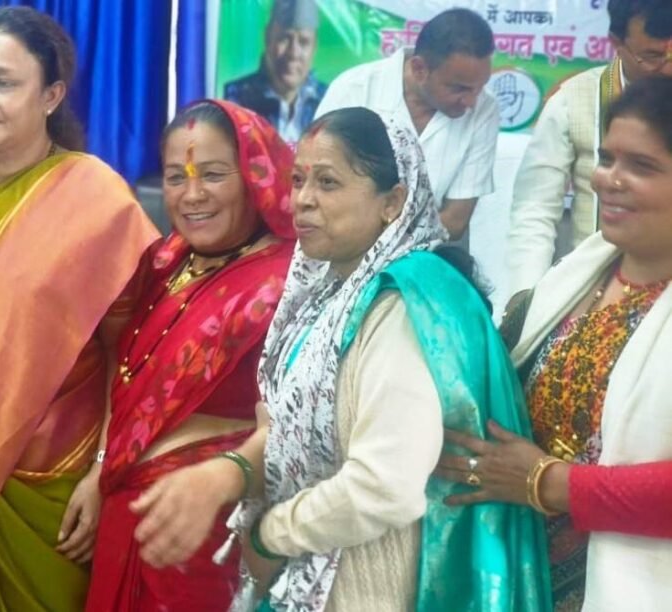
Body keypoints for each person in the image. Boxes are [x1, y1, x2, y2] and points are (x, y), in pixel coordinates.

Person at [127, 107, 549, 611]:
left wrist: (269, 535)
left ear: (393, 202)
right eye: (298, 180)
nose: (302, 200)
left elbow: (385, 486)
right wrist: (229, 474)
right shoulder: (334, 291)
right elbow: (290, 431)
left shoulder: (402, 305)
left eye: (327, 182)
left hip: (375, 587)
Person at [0, 7, 159, 610]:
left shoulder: (97, 198)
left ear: (51, 95)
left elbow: (132, 353)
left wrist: (103, 469)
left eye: (4, 82)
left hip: (51, 471)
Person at [440, 77, 672, 611]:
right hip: (518, 574)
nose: (610, 179)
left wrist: (547, 482)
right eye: (608, 158)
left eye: (642, 166)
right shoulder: (576, 275)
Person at [85, 99, 296, 611]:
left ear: (257, 177)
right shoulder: (164, 264)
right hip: (124, 516)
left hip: (204, 538)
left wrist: (220, 477)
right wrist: (99, 470)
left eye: (215, 174)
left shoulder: (289, 284)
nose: (193, 194)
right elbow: (125, 377)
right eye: (176, 177)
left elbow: (300, 426)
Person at [507, 0, 672, 293]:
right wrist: (524, 299)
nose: (668, 68)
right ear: (616, 43)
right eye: (653, 56)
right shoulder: (572, 100)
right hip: (592, 289)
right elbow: (535, 211)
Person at [315, 8, 497, 240]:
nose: (471, 102)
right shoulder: (354, 90)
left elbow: (455, 220)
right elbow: (318, 191)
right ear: (419, 69)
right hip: (341, 243)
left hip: (430, 251)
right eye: (459, 88)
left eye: (479, 88)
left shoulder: (485, 108)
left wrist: (389, 251)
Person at [223, 0, 326, 144]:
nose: (293, 53)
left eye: (304, 42)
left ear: (314, 47)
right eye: (284, 38)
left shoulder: (328, 102)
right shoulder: (235, 99)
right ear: (268, 38)